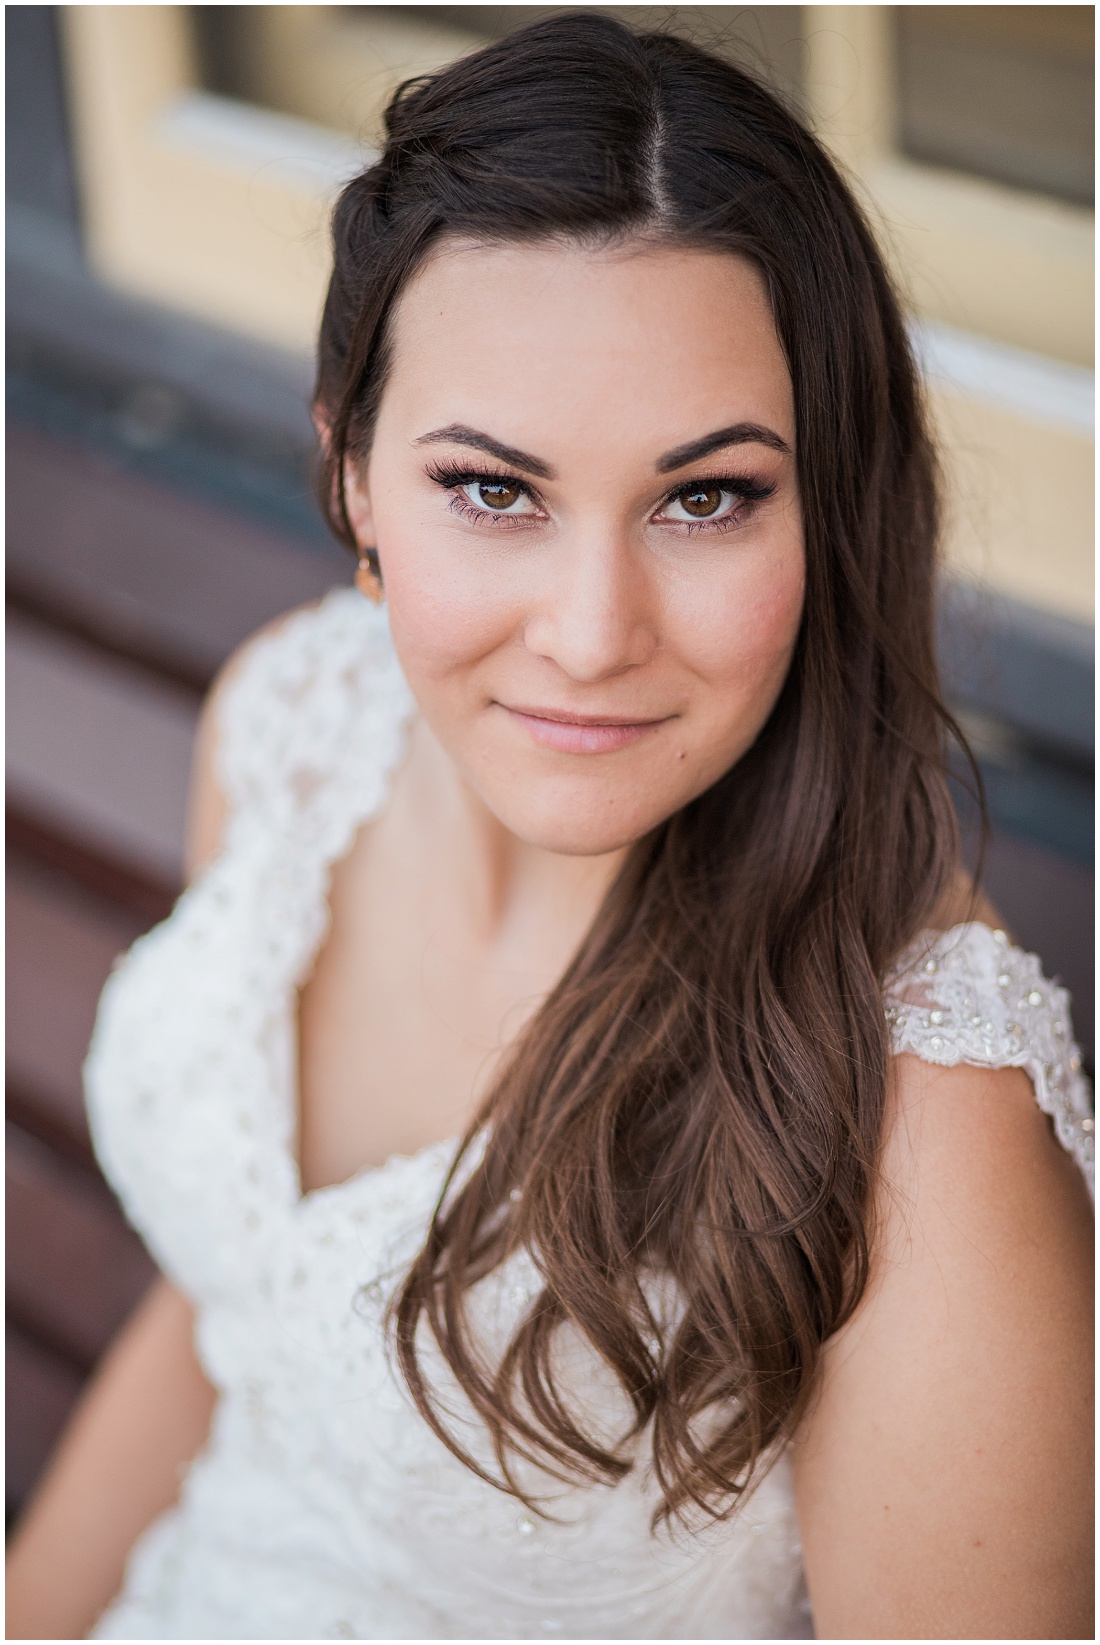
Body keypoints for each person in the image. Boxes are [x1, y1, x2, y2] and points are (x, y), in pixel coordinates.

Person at [6, 13, 1093, 1640]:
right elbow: (236, 1315)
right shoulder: (291, 731)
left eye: (705, 496)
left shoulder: (922, 1119)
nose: (592, 632)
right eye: (494, 489)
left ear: (834, 501)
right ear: (357, 478)